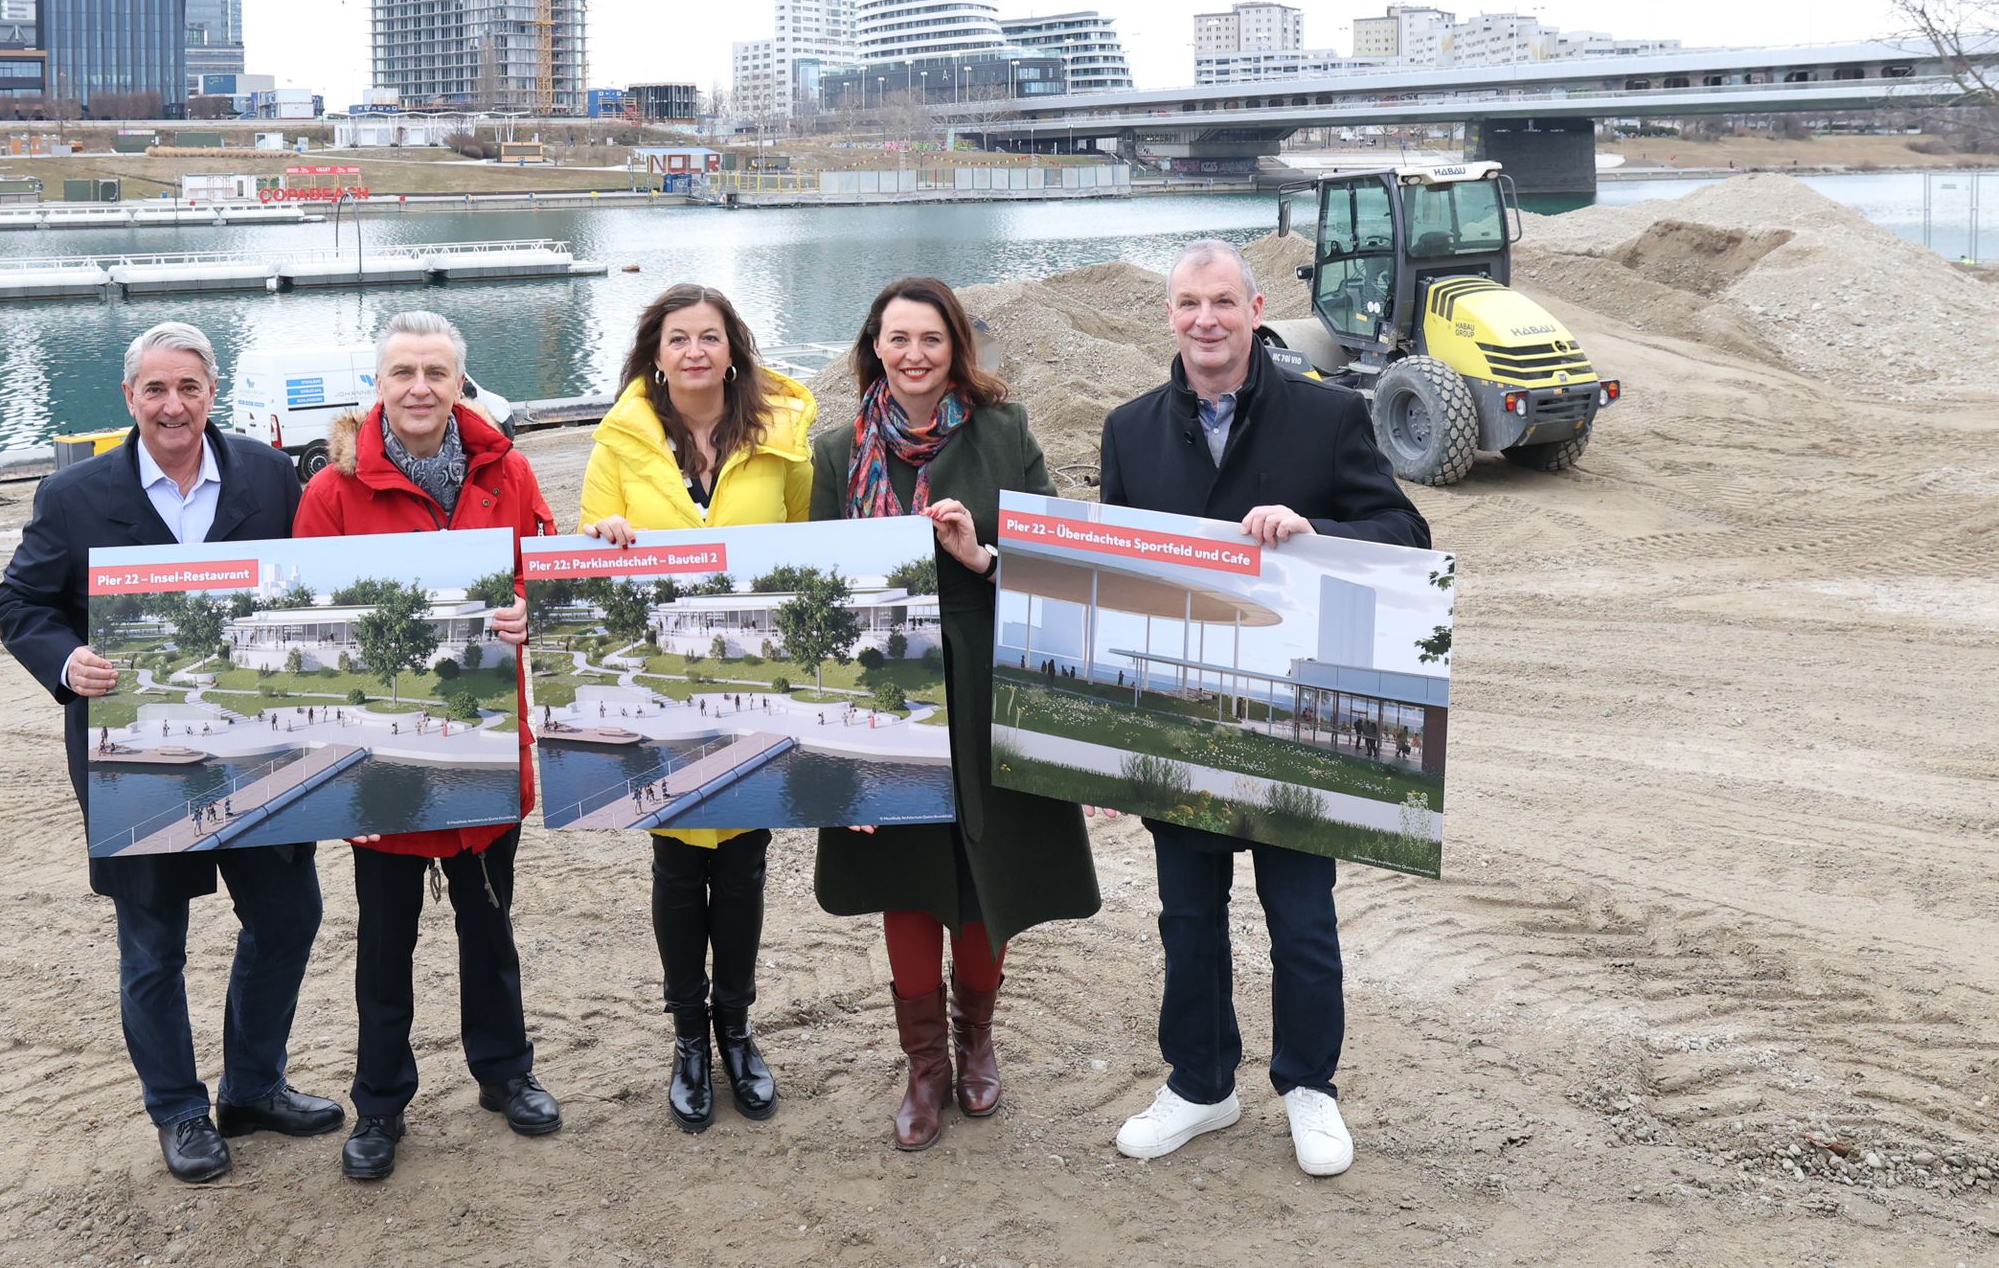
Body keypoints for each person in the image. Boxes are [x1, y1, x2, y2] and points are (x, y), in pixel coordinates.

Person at [1097, 240, 1426, 1182]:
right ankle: (1201, 1083)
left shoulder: (1329, 415)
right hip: (1181, 719)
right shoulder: (1128, 432)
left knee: (1303, 921)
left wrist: (1319, 534)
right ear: (1171, 315)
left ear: (1255, 306)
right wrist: (1109, 741)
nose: (1206, 320)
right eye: (1188, 304)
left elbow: (1407, 534)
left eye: (1223, 303)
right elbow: (1118, 586)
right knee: (1187, 919)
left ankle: (1309, 1086)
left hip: (1297, 719)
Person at [0, 319, 337, 1186]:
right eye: (156, 389)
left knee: (288, 917)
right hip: (134, 758)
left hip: (259, 748)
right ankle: (179, 1109)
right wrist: (68, 661)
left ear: (212, 392)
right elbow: (20, 604)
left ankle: (253, 1086)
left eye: (189, 387)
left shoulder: (268, 474)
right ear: (129, 399)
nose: (173, 405)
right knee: (153, 945)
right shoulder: (73, 495)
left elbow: (318, 584)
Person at [809, 275, 1100, 1150]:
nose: (914, 355)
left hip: (986, 677)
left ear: (955, 348)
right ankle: (925, 1065)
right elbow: (822, 600)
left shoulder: (1005, 434)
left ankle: (977, 1040)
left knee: (985, 878)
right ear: (875, 347)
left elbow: (1058, 571)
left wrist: (980, 557)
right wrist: (842, 749)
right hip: (885, 686)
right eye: (897, 338)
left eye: (930, 338)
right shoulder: (836, 452)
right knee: (909, 875)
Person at [291, 310, 562, 1184]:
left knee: (491, 929)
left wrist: (529, 606)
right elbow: (308, 622)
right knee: (385, 942)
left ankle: (505, 1070)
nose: (419, 387)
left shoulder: (507, 472)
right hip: (384, 762)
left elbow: (543, 571)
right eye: (403, 371)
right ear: (378, 384)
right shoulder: (332, 492)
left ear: (459, 384)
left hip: (485, 750)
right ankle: (380, 1103)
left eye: (436, 372)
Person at [577, 282, 817, 1131]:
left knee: (745, 866)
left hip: (749, 677)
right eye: (678, 338)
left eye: (709, 337)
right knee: (679, 866)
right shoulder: (619, 439)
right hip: (664, 684)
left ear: (733, 348)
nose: (694, 353)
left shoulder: (785, 439)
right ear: (655, 352)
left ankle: (737, 1028)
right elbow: (589, 545)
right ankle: (687, 1036)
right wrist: (604, 540)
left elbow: (803, 550)